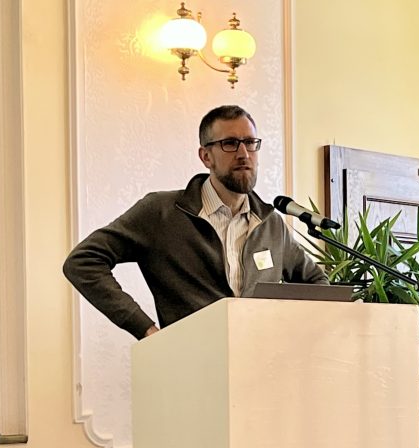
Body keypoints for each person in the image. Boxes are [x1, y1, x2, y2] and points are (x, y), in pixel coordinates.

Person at [63, 105, 328, 340]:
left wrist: (288, 330)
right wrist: (145, 329)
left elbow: (316, 282)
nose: (243, 154)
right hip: (191, 366)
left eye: (250, 142)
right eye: (230, 143)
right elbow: (83, 262)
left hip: (257, 366)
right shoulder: (162, 213)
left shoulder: (270, 223)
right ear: (205, 157)